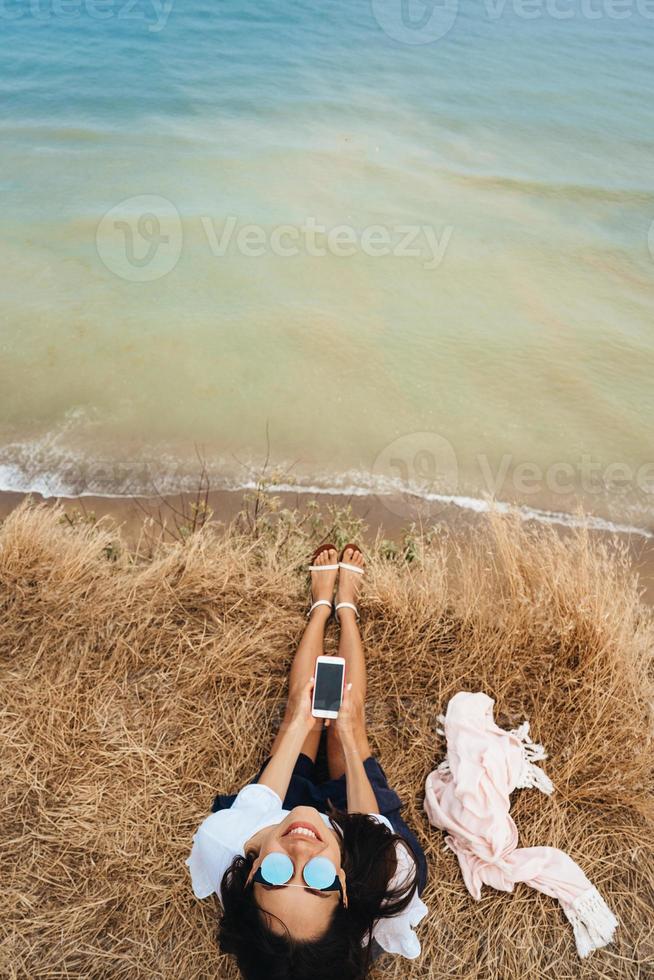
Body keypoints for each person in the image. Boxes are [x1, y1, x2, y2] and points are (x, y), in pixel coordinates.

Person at [187, 544, 428, 979]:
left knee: (300, 717)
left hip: (270, 818)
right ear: (346, 890)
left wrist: (300, 723)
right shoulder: (388, 871)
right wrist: (351, 739)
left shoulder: (223, 843)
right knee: (345, 726)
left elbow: (261, 806)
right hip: (359, 837)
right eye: (317, 880)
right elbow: (368, 824)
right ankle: (347, 606)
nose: (299, 850)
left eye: (276, 873)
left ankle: (322, 607)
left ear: (250, 873)